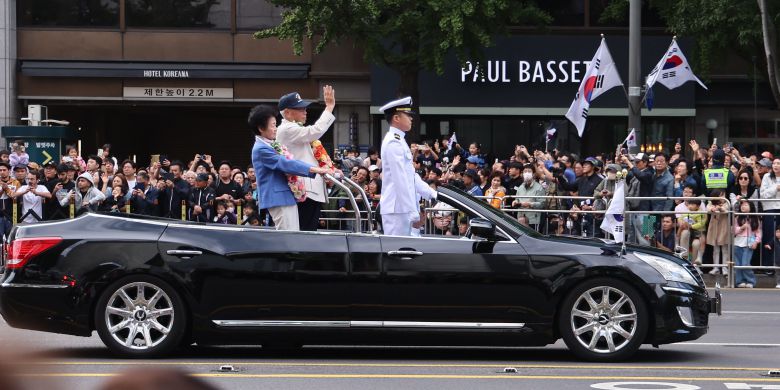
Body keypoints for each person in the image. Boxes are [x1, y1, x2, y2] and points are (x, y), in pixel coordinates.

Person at [249, 104, 330, 231]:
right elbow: (286, 163)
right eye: (273, 125)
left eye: (275, 125)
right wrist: (314, 169)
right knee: (288, 236)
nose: (276, 129)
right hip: (278, 198)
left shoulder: (269, 145)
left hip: (285, 196)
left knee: (293, 234)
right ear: (260, 128)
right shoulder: (260, 148)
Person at [275, 86, 336, 231]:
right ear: (288, 113)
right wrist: (329, 107)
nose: (305, 111)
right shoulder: (287, 128)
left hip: (309, 191)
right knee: (305, 232)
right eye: (300, 108)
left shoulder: (294, 128)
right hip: (303, 191)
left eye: (304, 108)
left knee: (308, 231)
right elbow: (315, 131)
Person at [378, 96, 437, 236]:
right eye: (408, 115)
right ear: (396, 118)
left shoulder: (400, 140)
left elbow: (410, 176)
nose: (411, 118)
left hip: (401, 208)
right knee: (397, 252)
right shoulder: (393, 142)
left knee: (405, 252)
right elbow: (400, 180)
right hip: (397, 209)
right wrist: (411, 211)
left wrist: (432, 194)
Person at [733, 200, 761, 288]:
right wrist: (741, 228)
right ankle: (740, 281)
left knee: (745, 263)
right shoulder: (737, 218)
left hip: (749, 243)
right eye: (742, 205)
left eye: (745, 205)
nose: (743, 206)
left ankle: (751, 281)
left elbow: (758, 232)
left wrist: (756, 241)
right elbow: (733, 231)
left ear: (751, 207)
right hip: (737, 243)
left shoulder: (755, 218)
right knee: (738, 264)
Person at [759, 158, 780, 273]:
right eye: (774, 163)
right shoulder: (767, 177)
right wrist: (775, 188)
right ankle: (768, 266)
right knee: (769, 237)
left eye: (778, 164)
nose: (776, 166)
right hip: (770, 209)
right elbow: (763, 195)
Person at [706, 189, 730, 275]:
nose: (723, 197)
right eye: (720, 195)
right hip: (714, 227)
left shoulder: (727, 203)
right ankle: (715, 267)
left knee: (724, 249)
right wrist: (713, 208)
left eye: (724, 195)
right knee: (715, 249)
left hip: (724, 227)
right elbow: (708, 209)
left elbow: (725, 209)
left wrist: (720, 208)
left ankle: (724, 268)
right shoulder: (711, 203)